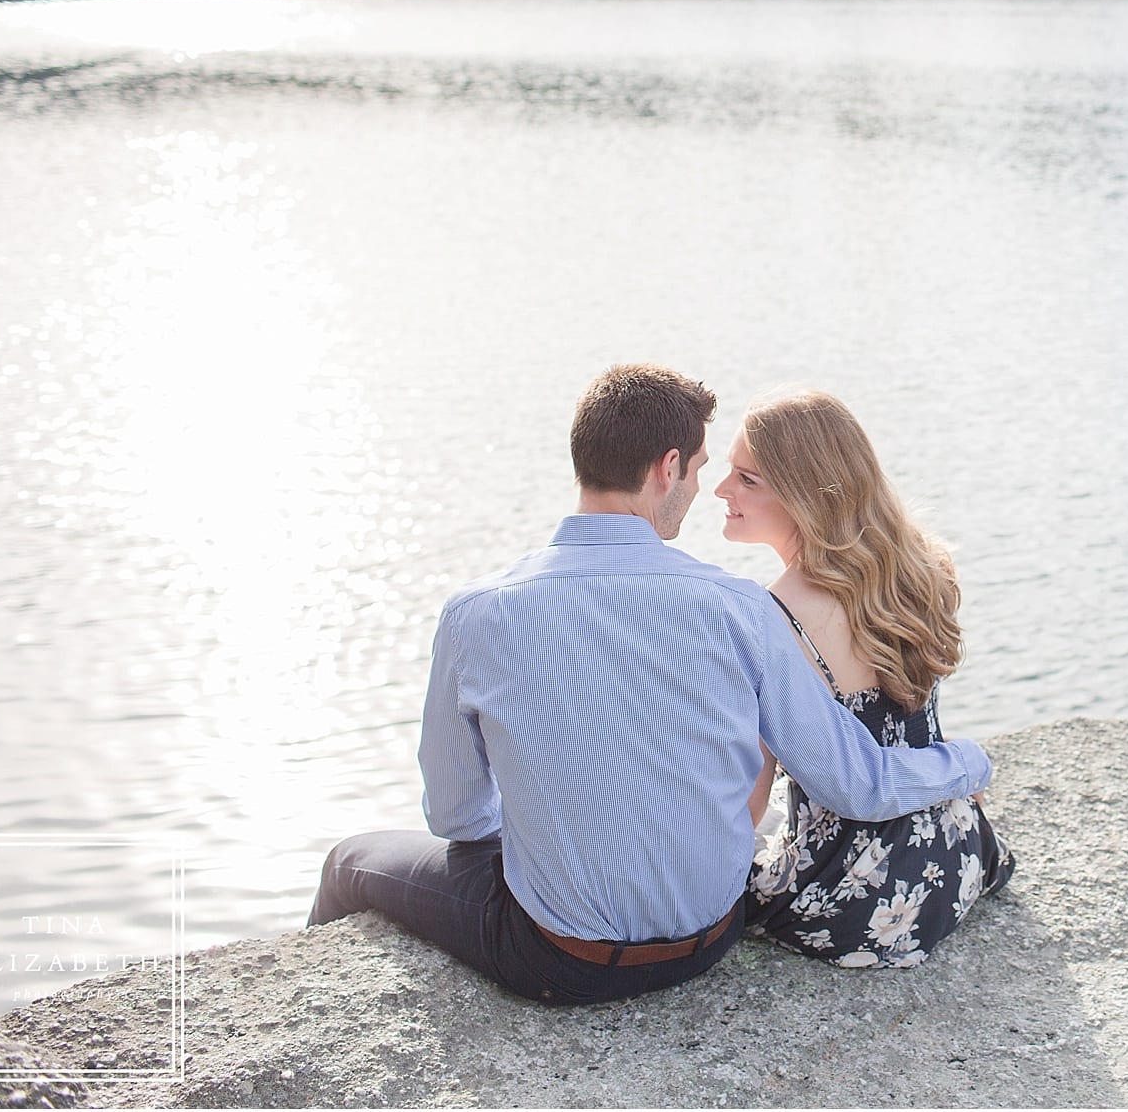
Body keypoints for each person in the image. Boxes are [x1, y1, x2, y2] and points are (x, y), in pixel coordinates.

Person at [307, 364, 993, 1004]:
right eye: (699, 470)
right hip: (709, 941)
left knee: (348, 861)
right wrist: (969, 758)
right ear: (668, 469)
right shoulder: (741, 609)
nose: (704, 489)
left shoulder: (477, 613)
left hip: (555, 959)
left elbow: (456, 820)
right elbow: (855, 782)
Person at [717, 390, 1014, 968]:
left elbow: (752, 788)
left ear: (806, 494)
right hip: (956, 856)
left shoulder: (774, 617)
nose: (722, 490)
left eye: (747, 479)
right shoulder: (919, 567)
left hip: (857, 901)